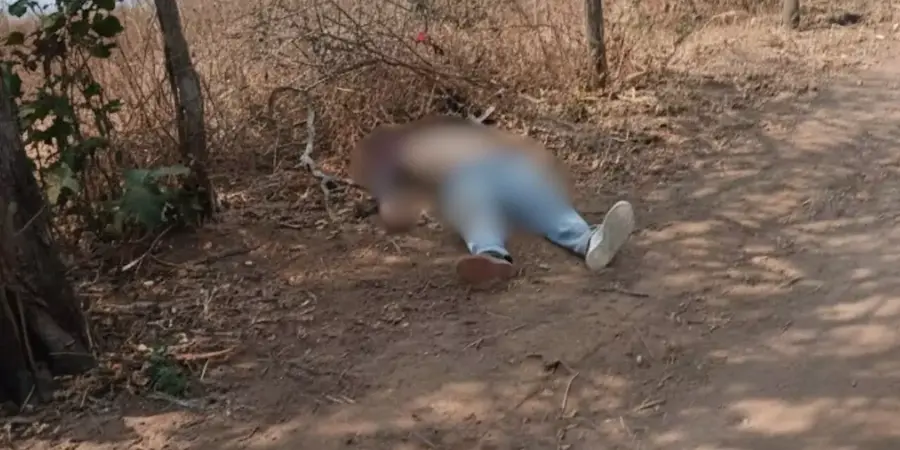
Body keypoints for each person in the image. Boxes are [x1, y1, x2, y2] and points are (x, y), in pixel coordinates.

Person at [349, 115, 635, 286]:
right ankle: (492, 257)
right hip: (461, 180)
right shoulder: (400, 171)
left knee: (542, 199)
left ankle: (591, 242)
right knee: (473, 205)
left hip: (504, 167)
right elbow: (397, 213)